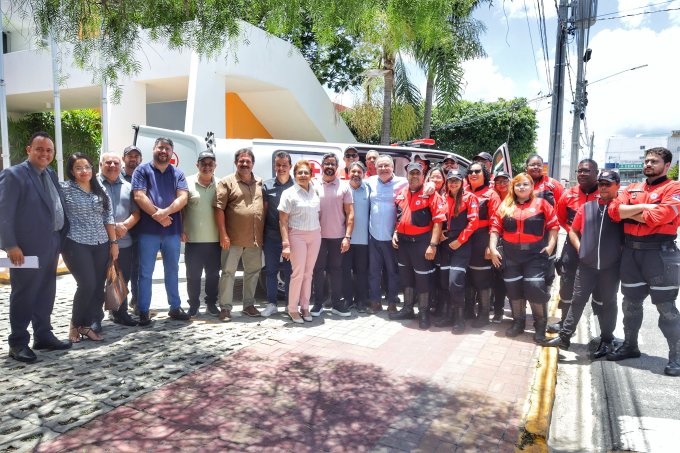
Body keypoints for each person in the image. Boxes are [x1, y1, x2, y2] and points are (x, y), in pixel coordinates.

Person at [606, 147, 680, 376]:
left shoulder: (674, 188)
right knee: (630, 303)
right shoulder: (632, 188)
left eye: (654, 161)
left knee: (666, 307)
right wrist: (646, 207)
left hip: (660, 254)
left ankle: (676, 356)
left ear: (666, 166)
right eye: (647, 160)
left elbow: (661, 216)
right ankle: (630, 346)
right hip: (631, 253)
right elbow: (613, 211)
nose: (648, 164)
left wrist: (629, 212)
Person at [0, 132, 71, 362]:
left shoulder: (50, 173)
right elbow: (4, 213)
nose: (44, 154)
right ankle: (18, 342)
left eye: (49, 150)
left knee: (46, 291)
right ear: (28, 149)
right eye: (39, 149)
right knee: (24, 293)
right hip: (25, 249)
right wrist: (10, 245)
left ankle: (43, 335)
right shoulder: (13, 175)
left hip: (51, 243)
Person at [545, 170, 623, 358]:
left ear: (617, 186)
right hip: (586, 265)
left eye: (608, 184)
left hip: (610, 267)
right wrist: (581, 249)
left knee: (608, 303)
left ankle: (606, 339)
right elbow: (573, 230)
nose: (603, 187)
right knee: (577, 300)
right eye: (601, 183)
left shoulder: (621, 209)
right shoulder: (586, 207)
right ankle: (564, 337)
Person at [489, 173, 559, 344]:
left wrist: (550, 246)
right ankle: (518, 322)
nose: (521, 187)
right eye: (518, 184)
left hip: (534, 255)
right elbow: (495, 228)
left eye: (525, 184)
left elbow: (554, 226)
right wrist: (492, 248)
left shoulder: (542, 204)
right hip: (511, 255)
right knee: (513, 289)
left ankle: (540, 326)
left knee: (535, 287)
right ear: (513, 188)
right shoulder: (506, 205)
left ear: (532, 187)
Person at [132, 137, 190, 326]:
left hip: (172, 232)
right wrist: (158, 216)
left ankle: (175, 307)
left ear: (172, 152)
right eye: (160, 148)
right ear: (154, 149)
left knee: (172, 270)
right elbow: (139, 196)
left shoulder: (178, 173)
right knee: (145, 273)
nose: (163, 151)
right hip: (148, 232)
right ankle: (143, 310)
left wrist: (165, 212)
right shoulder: (142, 170)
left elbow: (183, 198)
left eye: (167, 148)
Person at [61, 153, 117, 342]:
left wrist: (113, 243)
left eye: (87, 167)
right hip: (76, 242)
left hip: (101, 242)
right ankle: (74, 325)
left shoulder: (99, 187)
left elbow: (108, 216)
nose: (84, 171)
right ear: (71, 171)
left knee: (97, 287)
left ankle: (86, 326)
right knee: (86, 284)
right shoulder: (64, 189)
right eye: (78, 168)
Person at [390, 162, 446, 329]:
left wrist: (433, 245)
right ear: (407, 175)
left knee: (423, 279)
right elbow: (399, 217)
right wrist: (395, 232)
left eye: (417, 173)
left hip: (422, 243)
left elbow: (438, 222)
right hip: (403, 243)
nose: (414, 176)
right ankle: (408, 309)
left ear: (423, 176)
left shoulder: (431, 194)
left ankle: (423, 312)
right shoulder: (401, 193)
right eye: (411, 173)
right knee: (406, 277)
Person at [214, 147, 265, 322]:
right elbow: (219, 209)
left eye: (248, 161)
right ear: (236, 163)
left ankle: (248, 305)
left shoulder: (260, 182)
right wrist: (223, 234)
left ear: (253, 164)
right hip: (232, 238)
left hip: (255, 238)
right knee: (228, 272)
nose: (244, 164)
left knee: (253, 272)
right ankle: (225, 308)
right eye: (241, 161)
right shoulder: (226, 182)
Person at [549, 159, 599, 333]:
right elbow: (561, 217)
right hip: (572, 245)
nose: (582, 174)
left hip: (599, 247)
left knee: (600, 288)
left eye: (587, 171)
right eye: (580, 171)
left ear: (596, 173)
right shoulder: (568, 194)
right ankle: (565, 323)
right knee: (567, 282)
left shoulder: (604, 193)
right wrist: (574, 233)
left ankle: (604, 335)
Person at [98, 152, 140, 327]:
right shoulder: (92, 185)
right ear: (101, 165)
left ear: (120, 165)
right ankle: (95, 317)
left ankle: (120, 312)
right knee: (97, 281)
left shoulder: (129, 187)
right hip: (99, 242)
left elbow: (136, 212)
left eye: (116, 163)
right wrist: (111, 228)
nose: (112, 166)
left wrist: (124, 226)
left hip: (124, 241)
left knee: (122, 278)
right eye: (108, 162)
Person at [434, 169, 479, 333]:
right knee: (444, 282)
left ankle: (460, 319)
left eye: (456, 180)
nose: (453, 183)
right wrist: (440, 235)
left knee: (455, 282)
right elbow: (439, 220)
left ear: (462, 182)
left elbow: (474, 222)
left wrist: (460, 240)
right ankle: (449, 316)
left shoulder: (470, 198)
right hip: (445, 245)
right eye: (450, 180)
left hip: (461, 245)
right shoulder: (443, 198)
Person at [311, 152, 354, 317]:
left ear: (337, 167)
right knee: (318, 270)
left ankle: (337, 304)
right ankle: (317, 304)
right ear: (322, 166)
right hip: (317, 237)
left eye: (332, 164)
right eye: (327, 164)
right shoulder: (313, 184)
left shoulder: (344, 186)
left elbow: (350, 214)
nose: (329, 166)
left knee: (336, 270)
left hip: (338, 237)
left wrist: (347, 237)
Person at [278, 160, 321, 323]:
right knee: (298, 273)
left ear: (311, 174)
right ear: (294, 175)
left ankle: (305, 306)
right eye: (299, 173)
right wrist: (286, 244)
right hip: (297, 236)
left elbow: (318, 214)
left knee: (308, 273)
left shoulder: (315, 191)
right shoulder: (288, 193)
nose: (303, 175)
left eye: (306, 172)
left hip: (315, 235)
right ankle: (292, 309)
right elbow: (283, 221)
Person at [365, 155, 408, 314]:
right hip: (373, 236)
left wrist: (430, 184)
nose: (383, 169)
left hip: (392, 237)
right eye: (380, 166)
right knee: (374, 272)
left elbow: (421, 185)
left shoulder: (403, 182)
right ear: (375, 168)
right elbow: (350, 185)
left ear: (392, 167)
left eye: (386, 166)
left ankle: (392, 302)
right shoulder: (369, 181)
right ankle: (375, 302)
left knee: (392, 272)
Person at [182, 151, 221, 317]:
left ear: (215, 166)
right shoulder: (186, 182)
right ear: (197, 165)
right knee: (193, 276)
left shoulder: (221, 184)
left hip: (215, 240)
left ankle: (211, 304)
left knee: (213, 275)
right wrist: (180, 230)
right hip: (193, 240)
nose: (207, 167)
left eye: (210, 164)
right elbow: (181, 209)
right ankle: (193, 305)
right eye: (203, 164)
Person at [465, 161, 501, 326]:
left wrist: (490, 246)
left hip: (482, 238)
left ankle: (484, 314)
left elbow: (496, 221)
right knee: (467, 276)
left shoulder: (491, 194)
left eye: (477, 171)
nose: (473, 174)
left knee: (481, 278)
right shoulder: (463, 191)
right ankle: (468, 310)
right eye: (471, 171)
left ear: (484, 174)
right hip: (464, 239)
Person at [262, 151, 294, 317]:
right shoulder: (267, 186)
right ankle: (272, 304)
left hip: (292, 236)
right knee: (271, 271)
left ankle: (290, 305)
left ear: (290, 166)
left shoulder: (297, 185)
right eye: (278, 165)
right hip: (271, 236)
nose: (281, 168)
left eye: (284, 165)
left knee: (290, 272)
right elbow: (264, 213)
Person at [525, 154, 564, 288]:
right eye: (532, 165)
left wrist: (556, 226)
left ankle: (545, 296)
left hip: (548, 235)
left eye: (539, 165)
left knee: (547, 268)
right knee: (525, 267)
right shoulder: (519, 183)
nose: (536, 167)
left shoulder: (553, 185)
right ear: (526, 167)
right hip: (525, 235)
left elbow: (562, 207)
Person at [342, 162, 370, 312]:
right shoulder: (343, 189)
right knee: (345, 272)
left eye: (359, 172)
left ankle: (361, 301)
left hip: (363, 240)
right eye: (353, 171)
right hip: (346, 239)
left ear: (364, 174)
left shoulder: (369, 189)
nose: (356, 174)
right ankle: (347, 299)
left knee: (361, 273)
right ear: (348, 173)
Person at [121, 145, 143, 314]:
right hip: (120, 230)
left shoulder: (143, 176)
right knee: (121, 269)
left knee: (137, 268)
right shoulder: (116, 176)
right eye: (130, 156)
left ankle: (136, 300)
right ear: (124, 158)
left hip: (139, 230)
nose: (133, 159)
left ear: (140, 159)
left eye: (136, 156)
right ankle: (118, 303)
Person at [491, 170, 511, 323]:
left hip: (514, 243)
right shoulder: (493, 197)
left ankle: (518, 311)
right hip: (497, 242)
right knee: (498, 279)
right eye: (499, 181)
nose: (502, 184)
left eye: (505, 181)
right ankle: (498, 310)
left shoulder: (516, 197)